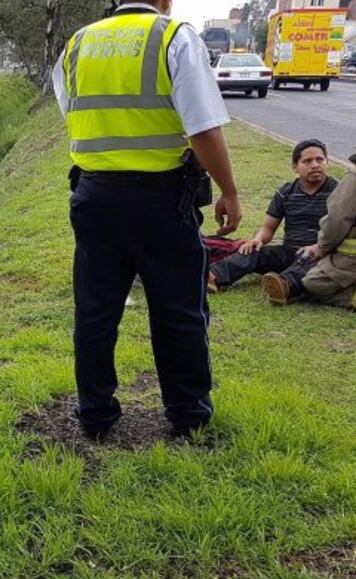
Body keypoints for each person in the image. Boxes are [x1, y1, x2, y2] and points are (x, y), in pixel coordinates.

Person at [53, 0, 241, 438]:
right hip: (162, 200)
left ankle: (95, 415)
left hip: (94, 197)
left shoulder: (77, 44)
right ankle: (187, 414)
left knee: (95, 311)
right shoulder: (173, 37)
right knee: (178, 309)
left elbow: (75, 117)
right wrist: (228, 189)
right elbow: (203, 129)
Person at [208, 140, 338, 304]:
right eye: (308, 161)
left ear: (327, 163)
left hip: (320, 254)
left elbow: (345, 231)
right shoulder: (286, 192)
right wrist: (257, 240)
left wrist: (319, 247)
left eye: (320, 160)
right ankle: (213, 277)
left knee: (308, 263)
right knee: (253, 251)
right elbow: (268, 228)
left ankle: (284, 286)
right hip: (290, 252)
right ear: (295, 167)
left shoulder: (338, 193)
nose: (315, 165)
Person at [296, 152, 356, 309]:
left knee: (312, 283)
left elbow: (336, 222)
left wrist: (322, 247)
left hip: (350, 260)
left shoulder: (353, 179)